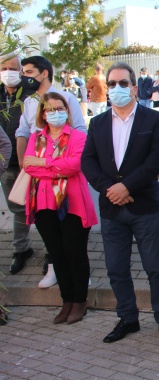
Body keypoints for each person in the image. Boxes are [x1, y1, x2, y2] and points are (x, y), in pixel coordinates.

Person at [81, 61, 159, 344]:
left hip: (144, 206)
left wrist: (127, 186)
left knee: (156, 267)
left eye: (123, 83)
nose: (117, 88)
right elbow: (88, 161)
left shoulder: (153, 119)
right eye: (112, 84)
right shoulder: (97, 123)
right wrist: (110, 189)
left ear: (135, 88)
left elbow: (158, 159)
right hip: (112, 209)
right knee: (116, 269)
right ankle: (128, 318)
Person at [22, 92, 98, 324]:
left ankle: (80, 301)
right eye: (50, 109)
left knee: (74, 251)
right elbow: (28, 166)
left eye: (60, 108)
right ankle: (66, 300)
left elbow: (74, 165)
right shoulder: (36, 138)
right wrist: (56, 168)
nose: (55, 113)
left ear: (67, 110)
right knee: (57, 253)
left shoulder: (77, 136)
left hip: (72, 203)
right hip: (44, 203)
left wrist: (43, 163)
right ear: (43, 114)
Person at [15, 56, 87, 283]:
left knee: (71, 232)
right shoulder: (27, 102)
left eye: (28, 72)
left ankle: (78, 274)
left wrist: (47, 165)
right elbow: (23, 133)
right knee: (51, 232)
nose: (23, 76)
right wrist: (24, 163)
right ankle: (55, 268)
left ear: (43, 73)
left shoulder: (66, 97)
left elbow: (79, 132)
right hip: (41, 185)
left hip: (68, 182)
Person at [1, 52, 37, 277]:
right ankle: (21, 249)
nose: (8, 73)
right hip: (6, 162)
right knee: (16, 207)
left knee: (43, 206)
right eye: (4, 68)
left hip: (32, 159)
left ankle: (53, 254)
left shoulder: (31, 93)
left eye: (13, 68)